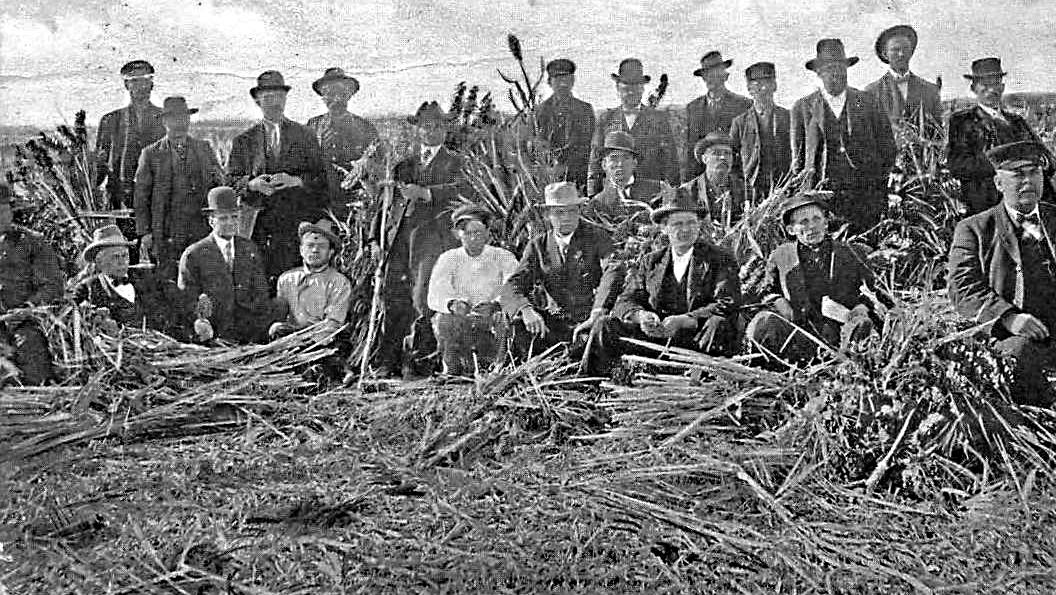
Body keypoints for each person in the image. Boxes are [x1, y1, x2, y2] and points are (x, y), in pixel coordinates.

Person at [948, 141, 1056, 405]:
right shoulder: (974, 229)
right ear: (998, 183)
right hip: (1016, 336)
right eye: (1018, 175)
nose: (1028, 181)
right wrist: (1008, 317)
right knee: (1019, 355)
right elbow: (963, 289)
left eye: (1034, 172)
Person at [592, 191, 741, 373]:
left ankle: (705, 377)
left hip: (696, 343)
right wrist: (641, 316)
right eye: (677, 224)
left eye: (691, 223)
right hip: (655, 341)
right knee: (605, 325)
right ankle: (593, 381)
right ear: (664, 228)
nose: (685, 230)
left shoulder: (719, 258)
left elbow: (727, 303)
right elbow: (626, 300)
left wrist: (685, 320)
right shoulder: (651, 261)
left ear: (699, 225)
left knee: (718, 324)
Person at [373, 101, 469, 378]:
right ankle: (387, 361)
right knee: (393, 297)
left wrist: (427, 194)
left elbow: (463, 191)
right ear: (417, 130)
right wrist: (373, 240)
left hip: (432, 240)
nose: (431, 131)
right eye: (426, 126)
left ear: (445, 129)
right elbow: (384, 204)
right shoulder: (403, 165)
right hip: (398, 241)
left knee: (423, 299)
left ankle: (418, 362)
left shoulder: (456, 163)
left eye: (437, 126)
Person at [745, 191, 878, 366]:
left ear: (826, 222)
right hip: (801, 334)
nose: (812, 227)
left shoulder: (852, 252)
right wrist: (779, 302)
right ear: (791, 230)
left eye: (817, 219)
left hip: (844, 331)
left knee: (861, 323)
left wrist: (862, 307)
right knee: (762, 322)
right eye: (804, 222)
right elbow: (767, 292)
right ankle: (775, 370)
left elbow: (873, 291)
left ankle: (850, 366)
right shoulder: (781, 256)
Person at [227, 70, 325, 286]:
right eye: (268, 97)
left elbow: (321, 179)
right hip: (257, 226)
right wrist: (252, 184)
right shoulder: (243, 141)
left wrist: (296, 181)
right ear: (257, 101)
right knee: (258, 282)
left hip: (294, 224)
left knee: (294, 281)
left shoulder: (305, 135)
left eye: (279, 96)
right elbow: (231, 181)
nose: (275, 103)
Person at [791, 39, 896, 235]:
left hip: (865, 195)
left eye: (840, 68)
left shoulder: (868, 101)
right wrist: (806, 193)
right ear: (819, 73)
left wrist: (878, 183)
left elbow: (888, 148)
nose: (836, 74)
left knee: (866, 244)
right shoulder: (803, 108)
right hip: (822, 197)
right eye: (829, 69)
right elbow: (798, 159)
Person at [503, 182, 613, 356]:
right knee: (518, 324)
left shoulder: (597, 237)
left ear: (579, 211)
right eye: (559, 212)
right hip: (555, 323)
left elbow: (612, 271)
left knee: (599, 337)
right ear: (547, 215)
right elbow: (513, 284)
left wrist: (598, 311)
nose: (567, 218)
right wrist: (525, 309)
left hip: (589, 320)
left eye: (572, 211)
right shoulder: (538, 245)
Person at [134, 96, 225, 281]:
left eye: (184, 118)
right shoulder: (151, 154)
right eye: (174, 118)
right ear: (164, 122)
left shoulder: (203, 148)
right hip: (167, 232)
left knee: (202, 275)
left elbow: (219, 184)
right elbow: (141, 197)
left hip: (201, 228)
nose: (180, 123)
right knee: (169, 279)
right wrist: (145, 232)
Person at [947, 58, 1053, 215]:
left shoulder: (1017, 121)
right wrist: (1004, 165)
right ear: (973, 88)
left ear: (1002, 87)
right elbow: (958, 165)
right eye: (985, 85)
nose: (991, 90)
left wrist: (1040, 163)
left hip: (1028, 199)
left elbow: (1047, 158)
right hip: (988, 201)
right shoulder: (962, 121)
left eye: (995, 84)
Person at [427, 205, 519, 377]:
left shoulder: (503, 257)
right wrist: (452, 304)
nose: (473, 238)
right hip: (463, 319)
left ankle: (498, 368)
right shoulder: (448, 258)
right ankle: (452, 369)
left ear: (487, 233)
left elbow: (515, 286)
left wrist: (496, 304)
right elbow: (436, 294)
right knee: (443, 320)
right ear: (457, 234)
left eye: (478, 232)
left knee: (505, 318)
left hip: (491, 319)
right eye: (467, 233)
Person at [177, 187, 273, 344]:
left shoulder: (249, 248)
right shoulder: (194, 254)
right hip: (214, 335)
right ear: (211, 221)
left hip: (249, 333)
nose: (230, 223)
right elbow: (186, 299)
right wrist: (200, 322)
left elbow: (261, 293)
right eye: (223, 218)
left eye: (234, 217)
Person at [94, 60, 166, 244]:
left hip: (157, 199)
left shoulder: (165, 118)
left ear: (152, 84)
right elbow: (100, 167)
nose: (141, 86)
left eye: (145, 80)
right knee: (125, 249)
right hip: (122, 200)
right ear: (126, 85)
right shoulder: (111, 120)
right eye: (135, 81)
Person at [0, 184, 64, 385]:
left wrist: (27, 309)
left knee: (30, 349)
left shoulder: (32, 243)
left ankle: (38, 394)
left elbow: (52, 286)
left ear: (11, 211)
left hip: (23, 322)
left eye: (2, 211)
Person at [587, 58, 678, 195]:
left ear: (642, 89)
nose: (630, 92)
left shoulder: (658, 119)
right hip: (615, 196)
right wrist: (593, 196)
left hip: (651, 194)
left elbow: (671, 163)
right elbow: (595, 163)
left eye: (635, 88)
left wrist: (672, 196)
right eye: (626, 88)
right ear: (617, 88)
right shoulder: (606, 119)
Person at [306, 67, 379, 220]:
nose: (336, 99)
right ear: (323, 97)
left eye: (341, 93)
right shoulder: (312, 126)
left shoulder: (365, 128)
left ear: (349, 95)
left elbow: (380, 161)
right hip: (320, 203)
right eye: (330, 93)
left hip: (355, 204)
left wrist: (366, 163)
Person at [72, 224, 166, 330]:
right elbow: (72, 314)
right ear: (99, 261)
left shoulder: (146, 279)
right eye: (115, 257)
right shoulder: (87, 288)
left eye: (125, 256)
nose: (122, 262)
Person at [270, 219, 351, 339]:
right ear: (301, 250)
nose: (315, 250)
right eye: (310, 245)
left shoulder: (339, 282)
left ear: (330, 253)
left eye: (321, 246)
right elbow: (280, 315)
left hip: (321, 341)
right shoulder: (286, 279)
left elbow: (333, 324)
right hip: (289, 341)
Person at [684, 51, 753, 182]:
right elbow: (691, 149)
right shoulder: (693, 107)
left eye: (714, 74)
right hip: (703, 180)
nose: (709, 79)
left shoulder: (743, 105)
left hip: (734, 179)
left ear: (725, 76)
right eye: (706, 75)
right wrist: (689, 182)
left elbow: (748, 148)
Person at [729, 62, 792, 207]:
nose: (763, 89)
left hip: (784, 189)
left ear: (775, 86)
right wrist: (741, 191)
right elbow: (732, 162)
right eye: (757, 85)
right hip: (752, 191)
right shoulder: (740, 123)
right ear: (749, 89)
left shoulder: (788, 118)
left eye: (767, 83)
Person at [865, 25, 942, 129]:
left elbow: (938, 132)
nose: (901, 54)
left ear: (911, 52)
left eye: (905, 49)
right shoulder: (871, 92)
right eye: (895, 50)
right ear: (885, 54)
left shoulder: (930, 91)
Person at [535, 59, 596, 191]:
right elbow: (536, 146)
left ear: (573, 81)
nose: (563, 84)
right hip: (549, 179)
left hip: (578, 178)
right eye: (557, 79)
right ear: (549, 82)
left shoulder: (585, 110)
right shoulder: (539, 112)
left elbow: (589, 145)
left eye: (566, 79)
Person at [583, 131, 662, 225]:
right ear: (604, 164)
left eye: (626, 158)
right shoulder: (596, 204)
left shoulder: (658, 191)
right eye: (614, 158)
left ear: (634, 163)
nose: (620, 164)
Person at [679, 132, 746, 228]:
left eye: (727, 153)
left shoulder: (744, 189)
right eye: (716, 153)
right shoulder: (688, 191)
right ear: (704, 159)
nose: (723, 157)